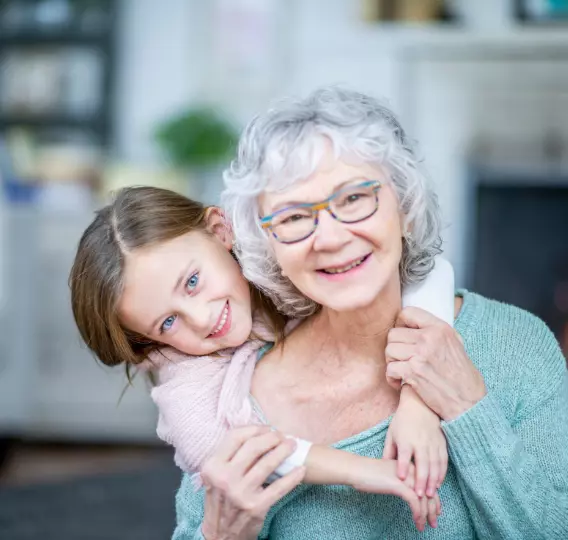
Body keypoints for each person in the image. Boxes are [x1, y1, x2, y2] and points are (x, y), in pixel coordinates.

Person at [169, 87, 568, 539]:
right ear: (269, 247)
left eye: (354, 198)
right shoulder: (238, 394)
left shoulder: (516, 345)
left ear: (406, 208)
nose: (330, 238)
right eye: (294, 218)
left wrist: (465, 406)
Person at [69, 186, 453, 533]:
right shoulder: (185, 385)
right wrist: (366, 472)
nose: (201, 319)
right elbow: (235, 451)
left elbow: (427, 271)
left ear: (220, 231)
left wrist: (418, 404)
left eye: (192, 282)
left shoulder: (278, 252)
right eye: (168, 322)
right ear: (151, 343)